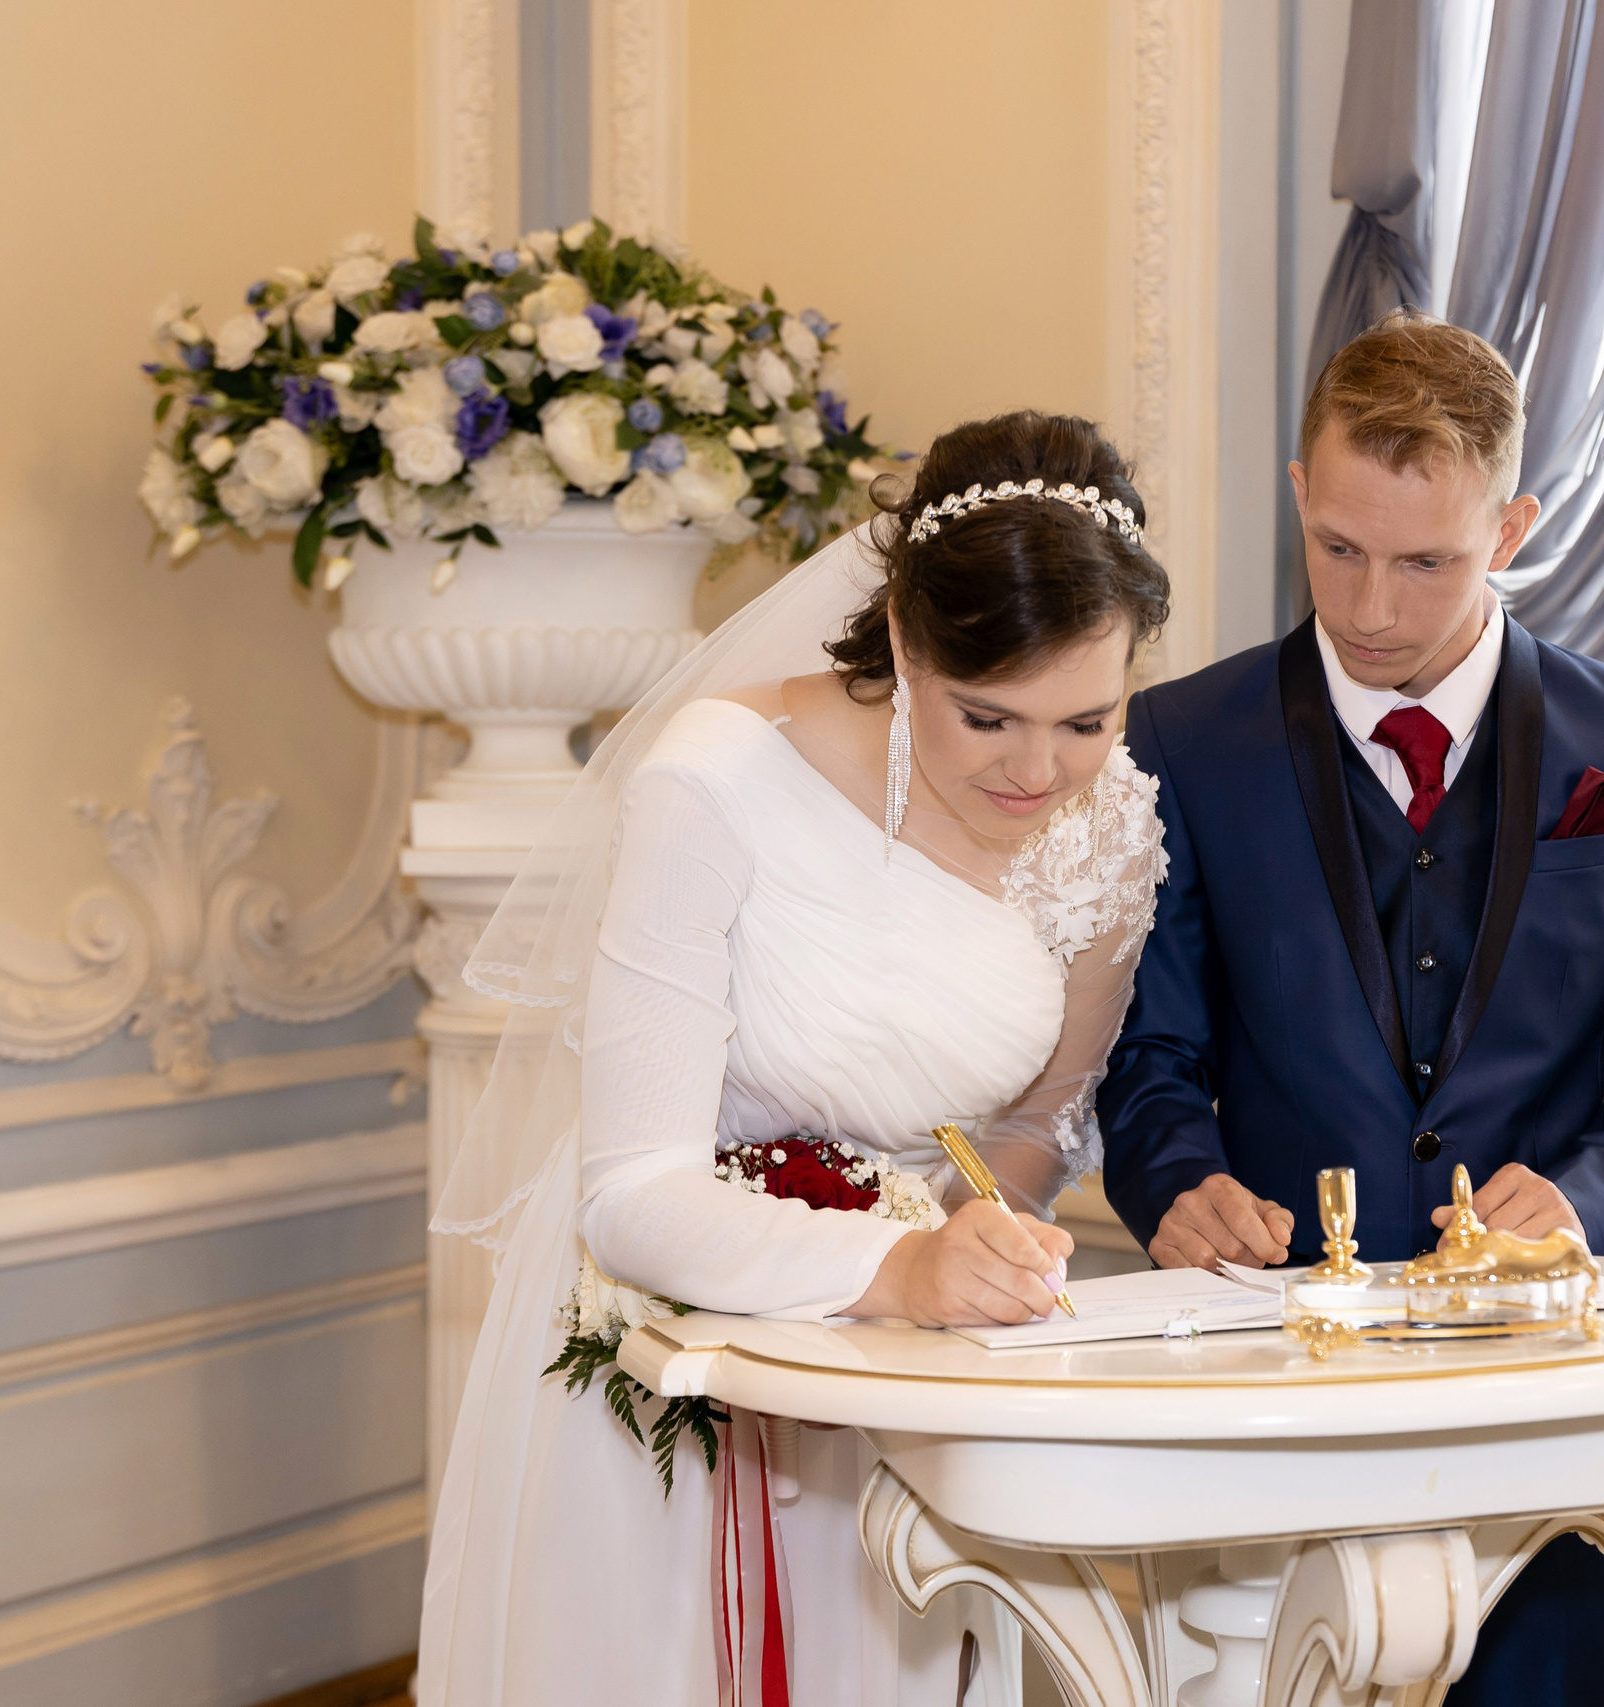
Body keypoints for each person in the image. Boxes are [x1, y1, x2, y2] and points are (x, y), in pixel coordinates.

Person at [417, 412, 1172, 1707]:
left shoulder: (1112, 826)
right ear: (901, 639)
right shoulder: (713, 783)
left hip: (915, 1370)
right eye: (988, 718)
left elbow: (1046, 1117)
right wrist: (897, 1263)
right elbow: (633, 1191)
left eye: (1085, 720)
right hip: (679, 1341)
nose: (1040, 771)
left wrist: (980, 1236)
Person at [1097, 311, 1604, 1707]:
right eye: (1337, 546)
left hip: (1548, 1413)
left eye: (1427, 560)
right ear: (1297, 492)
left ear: (1510, 527)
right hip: (1267, 1390)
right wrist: (1177, 1179)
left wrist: (1582, 1203)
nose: (1372, 605)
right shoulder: (1181, 742)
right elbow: (1147, 1052)